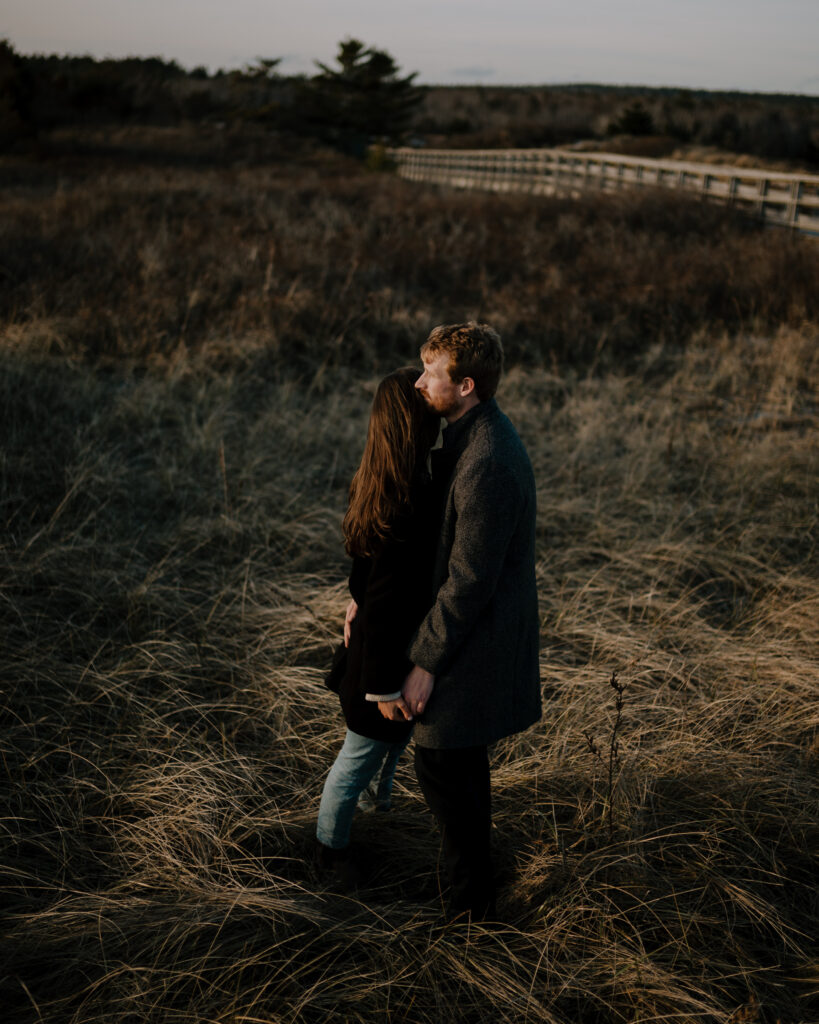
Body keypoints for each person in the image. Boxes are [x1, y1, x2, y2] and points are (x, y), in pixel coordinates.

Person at [378, 322, 542, 921]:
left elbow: (470, 580)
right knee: (458, 771)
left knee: (446, 767)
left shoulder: (489, 459)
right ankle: (467, 893)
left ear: (466, 385)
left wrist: (424, 662)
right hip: (469, 640)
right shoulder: (466, 438)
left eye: (432, 374)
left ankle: (470, 916)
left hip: (477, 647)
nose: (419, 382)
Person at [316, 367, 440, 884]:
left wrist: (355, 601)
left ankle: (372, 811)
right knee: (354, 763)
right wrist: (384, 688)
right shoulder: (407, 502)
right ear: (414, 426)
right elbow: (387, 605)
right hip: (377, 670)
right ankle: (330, 849)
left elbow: (362, 572)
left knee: (378, 752)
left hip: (373, 654)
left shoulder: (381, 480)